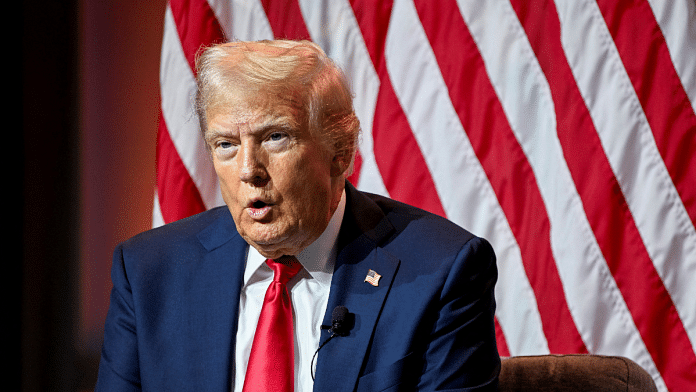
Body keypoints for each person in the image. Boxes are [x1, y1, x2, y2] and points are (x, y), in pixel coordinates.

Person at [96, 39, 500, 391]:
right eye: (225, 144)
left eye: (275, 137)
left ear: (340, 151)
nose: (248, 170)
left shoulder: (441, 271)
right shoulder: (149, 272)